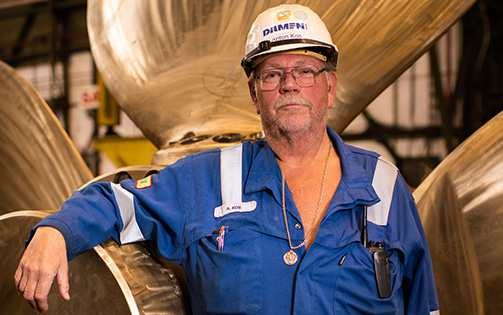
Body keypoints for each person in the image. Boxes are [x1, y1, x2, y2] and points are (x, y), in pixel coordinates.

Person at [15, 4, 439, 314]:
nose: (289, 84)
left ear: (329, 86)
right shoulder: (208, 180)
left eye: (305, 71)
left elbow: (422, 302)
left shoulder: (384, 187)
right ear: (255, 94)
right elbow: (115, 201)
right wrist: (56, 231)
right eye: (272, 74)